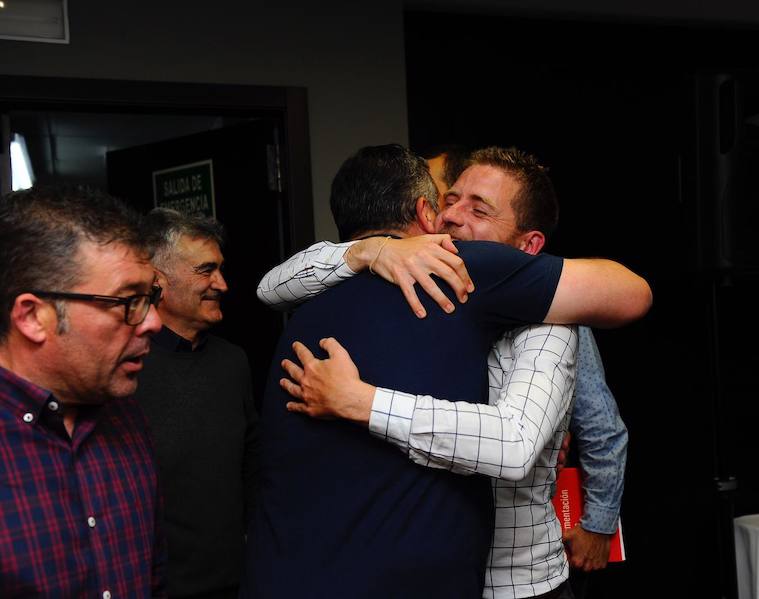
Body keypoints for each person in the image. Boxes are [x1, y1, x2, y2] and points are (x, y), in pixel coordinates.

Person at [255, 146, 649, 598]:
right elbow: (270, 288)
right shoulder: (422, 281)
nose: (453, 216)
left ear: (529, 248)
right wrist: (372, 249)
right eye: (450, 200)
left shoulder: (550, 321)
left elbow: (521, 443)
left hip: (517, 584)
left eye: (478, 209)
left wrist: (363, 402)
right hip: (445, 576)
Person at [0, 185, 165, 597]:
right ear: (33, 316)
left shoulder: (125, 416)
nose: (153, 322)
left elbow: (154, 576)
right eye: (128, 300)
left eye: (150, 298)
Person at [135, 208, 259, 599]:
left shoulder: (232, 361)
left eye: (220, 269)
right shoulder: (126, 366)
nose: (221, 284)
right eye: (206, 270)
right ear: (158, 281)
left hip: (239, 582)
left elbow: (252, 468)